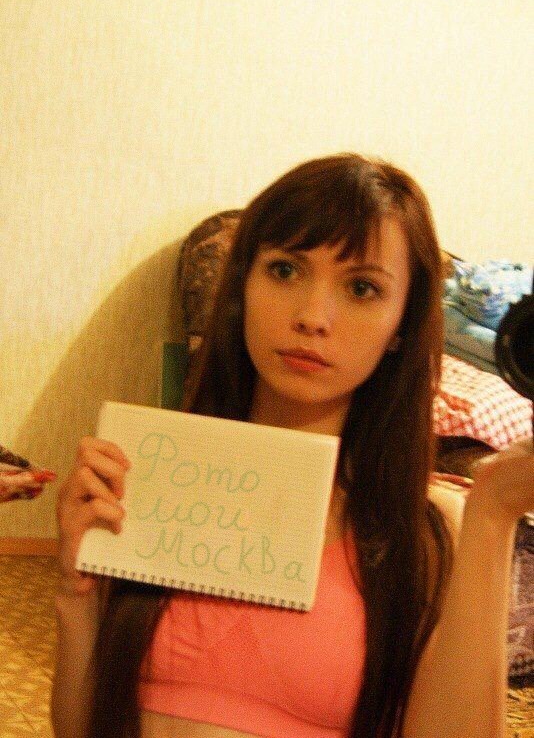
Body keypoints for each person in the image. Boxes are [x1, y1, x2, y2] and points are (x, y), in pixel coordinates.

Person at [52, 153, 534, 738]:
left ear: (401, 326)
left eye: (361, 288)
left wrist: (493, 517)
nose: (312, 317)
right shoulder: (149, 481)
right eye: (284, 270)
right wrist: (76, 599)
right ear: (242, 287)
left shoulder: (427, 534)